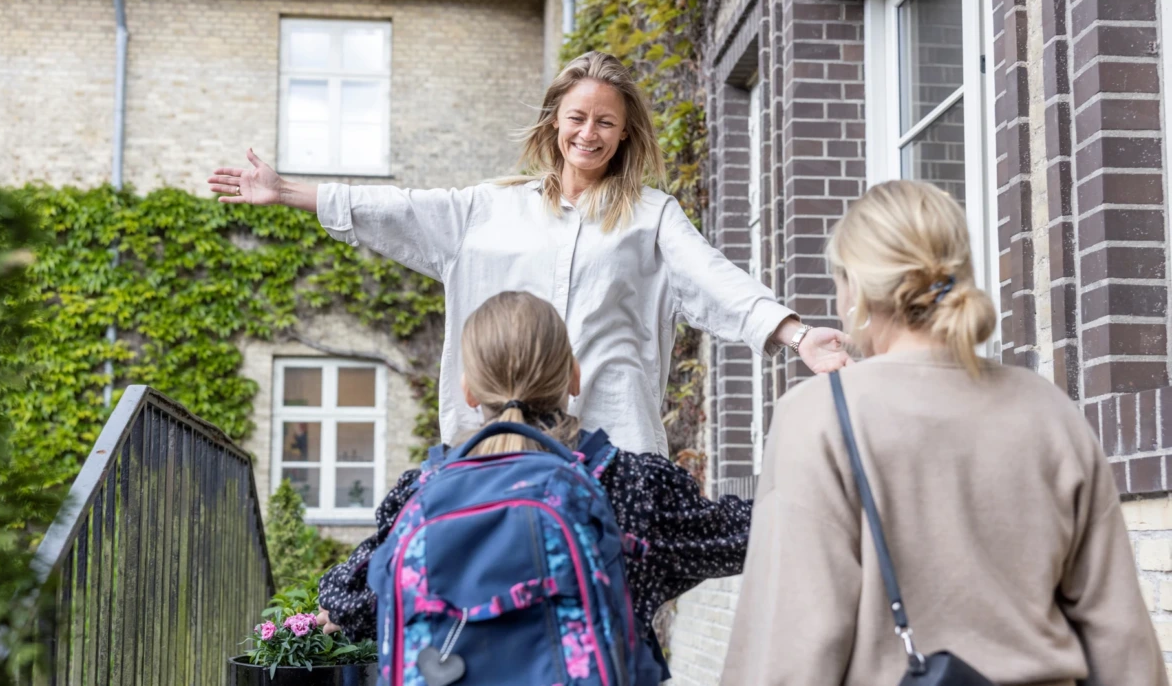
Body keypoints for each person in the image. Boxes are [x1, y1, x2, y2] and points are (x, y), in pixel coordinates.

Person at [208, 51, 849, 456]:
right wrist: (287, 190)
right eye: (577, 117)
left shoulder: (651, 216)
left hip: (612, 444)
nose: (588, 133)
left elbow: (713, 279)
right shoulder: (485, 209)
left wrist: (793, 334)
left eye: (605, 122)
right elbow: (394, 206)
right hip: (496, 447)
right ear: (553, 122)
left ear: (625, 134)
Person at [722, 180, 1166, 685]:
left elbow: (789, 648)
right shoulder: (1049, 412)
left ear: (859, 289)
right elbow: (1121, 638)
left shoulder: (818, 417)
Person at [314, 290, 753, 679]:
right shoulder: (631, 486)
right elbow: (747, 537)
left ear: (469, 391)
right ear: (573, 377)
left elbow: (347, 597)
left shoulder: (420, 495)